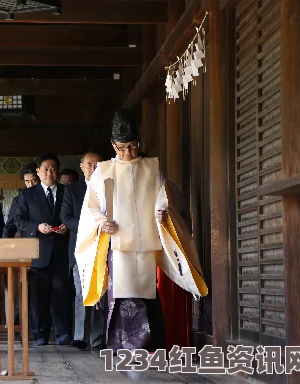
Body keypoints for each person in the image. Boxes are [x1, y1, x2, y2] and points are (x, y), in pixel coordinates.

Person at [75, 108, 198, 354]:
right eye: (122, 148)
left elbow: (166, 199)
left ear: (138, 143)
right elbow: (92, 207)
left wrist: (164, 214)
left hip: (147, 244)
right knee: (121, 295)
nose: (128, 153)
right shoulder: (103, 171)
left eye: (132, 146)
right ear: (113, 145)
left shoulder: (152, 169)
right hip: (118, 245)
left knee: (148, 294)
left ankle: (151, 347)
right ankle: (122, 347)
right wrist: (102, 223)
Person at [15, 153, 72, 346]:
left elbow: (74, 215)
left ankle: (62, 333)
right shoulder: (27, 194)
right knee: (38, 297)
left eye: (53, 168)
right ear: (38, 171)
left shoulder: (67, 191)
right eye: (46, 169)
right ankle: (40, 334)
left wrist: (68, 226)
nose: (50, 172)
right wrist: (37, 227)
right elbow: (19, 220)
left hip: (62, 250)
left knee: (61, 293)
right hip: (38, 251)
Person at [61, 149, 105, 350]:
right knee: (81, 293)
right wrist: (91, 225)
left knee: (100, 293)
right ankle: (80, 336)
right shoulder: (72, 189)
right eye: (89, 164)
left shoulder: (108, 188)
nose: (94, 168)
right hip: (80, 248)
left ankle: (97, 337)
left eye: (97, 165)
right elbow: (66, 218)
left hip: (103, 247)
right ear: (82, 166)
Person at [2, 162, 39, 239]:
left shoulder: (48, 195)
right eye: (27, 181)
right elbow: (10, 226)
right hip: (28, 241)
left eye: (34, 180)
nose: (30, 185)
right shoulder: (18, 199)